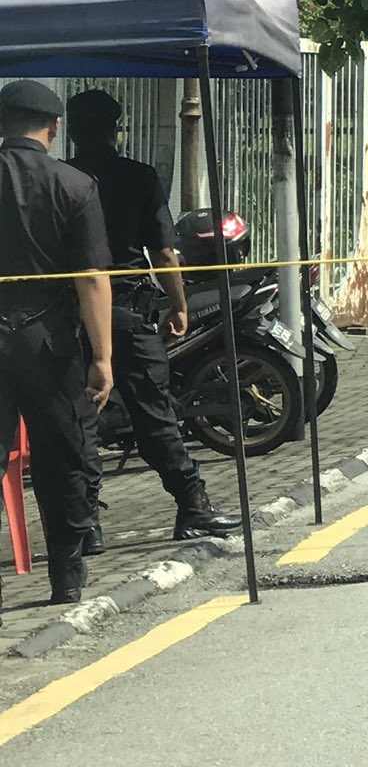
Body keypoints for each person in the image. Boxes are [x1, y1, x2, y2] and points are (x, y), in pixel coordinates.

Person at [64, 91, 237, 547]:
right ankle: (193, 506)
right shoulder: (138, 177)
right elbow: (162, 251)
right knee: (155, 415)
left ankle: (86, 526)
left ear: (71, 131)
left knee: (81, 420)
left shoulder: (61, 178)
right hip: (125, 311)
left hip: (70, 314)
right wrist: (178, 302)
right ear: (116, 130)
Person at [0, 80, 114, 608]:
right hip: (48, 341)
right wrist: (102, 357)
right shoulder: (74, 184)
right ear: (54, 127)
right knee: (60, 456)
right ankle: (66, 578)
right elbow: (92, 278)